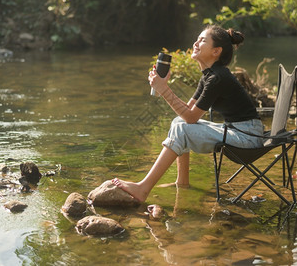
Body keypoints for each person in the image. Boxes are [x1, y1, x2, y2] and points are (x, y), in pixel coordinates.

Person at [112, 25, 264, 202]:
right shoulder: (209, 75)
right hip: (240, 131)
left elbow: (191, 117)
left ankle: (143, 188)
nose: (196, 43)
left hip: (247, 138)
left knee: (182, 128)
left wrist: (164, 89)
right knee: (178, 123)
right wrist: (163, 88)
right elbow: (187, 114)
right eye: (197, 39)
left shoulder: (218, 78)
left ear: (216, 51)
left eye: (203, 40)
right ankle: (182, 182)